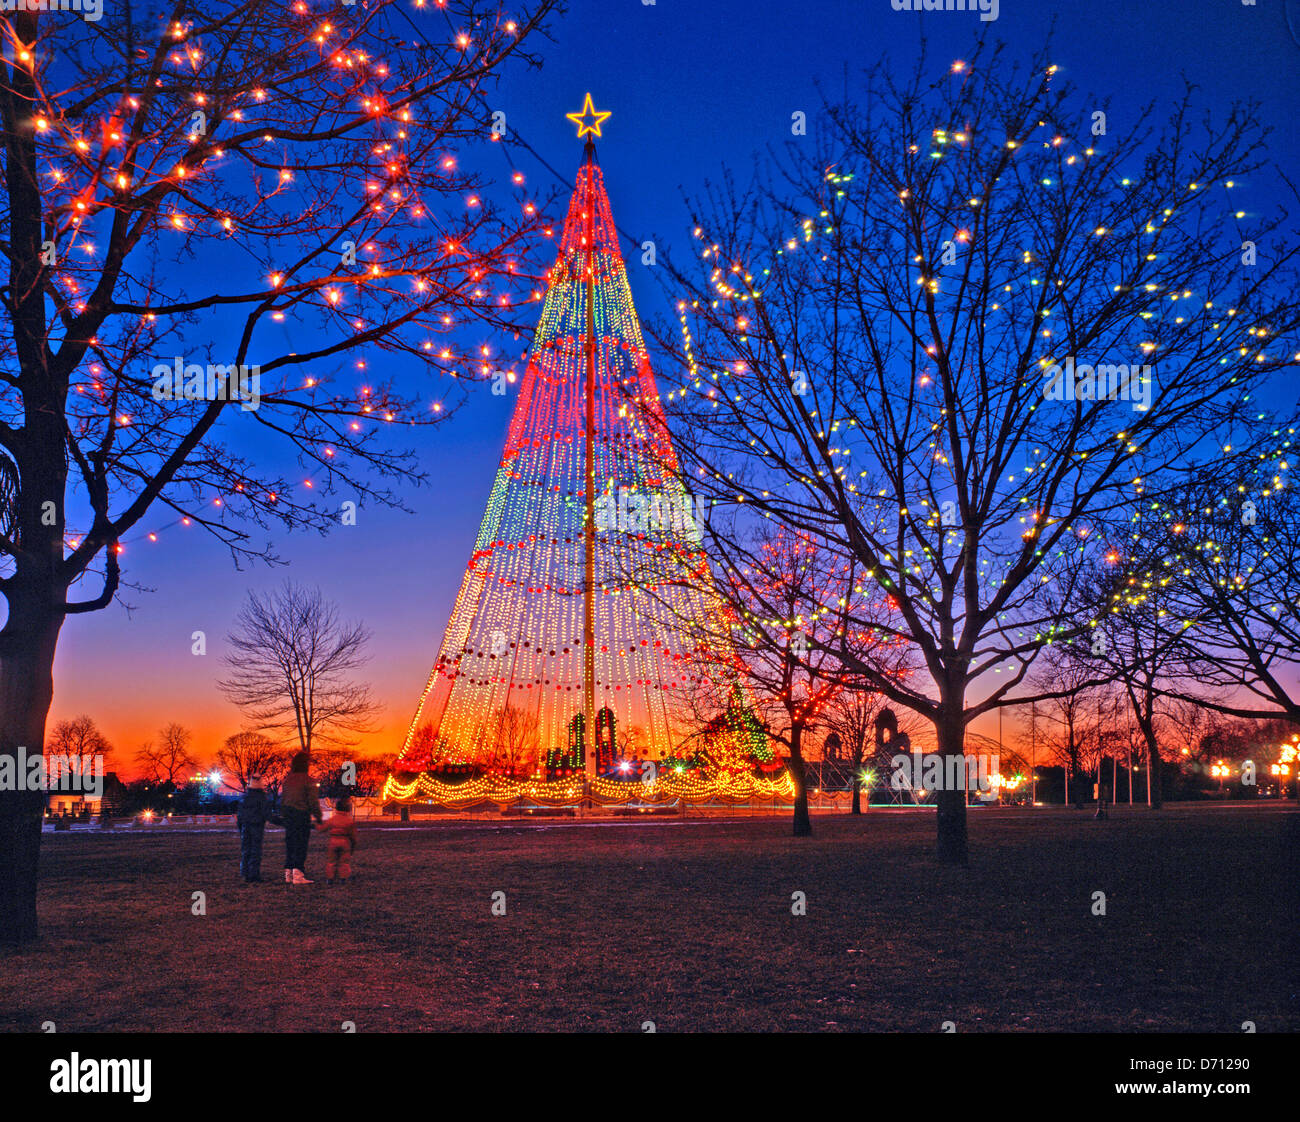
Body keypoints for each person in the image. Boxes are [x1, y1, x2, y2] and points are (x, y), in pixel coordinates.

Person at [281, 752, 322, 884]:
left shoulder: (287, 780)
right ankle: (298, 874)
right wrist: (318, 817)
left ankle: (288, 873)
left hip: (288, 815)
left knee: (290, 845)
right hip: (301, 815)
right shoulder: (308, 781)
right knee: (300, 845)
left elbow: (283, 799)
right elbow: (313, 802)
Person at [236, 775, 272, 883]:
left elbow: (240, 815)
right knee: (255, 851)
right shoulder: (262, 797)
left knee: (246, 850)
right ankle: (253, 874)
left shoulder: (244, 797)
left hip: (245, 826)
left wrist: (240, 827)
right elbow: (266, 814)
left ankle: (245, 872)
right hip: (256, 826)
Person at [318, 794, 358, 883]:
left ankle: (330, 878)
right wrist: (353, 845)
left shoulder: (333, 819)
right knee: (344, 862)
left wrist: (316, 825)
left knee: (331, 861)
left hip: (333, 841)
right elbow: (353, 836)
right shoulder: (350, 821)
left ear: (336, 808)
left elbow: (322, 828)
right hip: (345, 842)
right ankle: (343, 878)